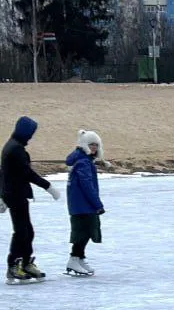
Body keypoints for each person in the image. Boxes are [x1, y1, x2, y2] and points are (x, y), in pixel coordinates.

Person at [1, 116, 60, 283]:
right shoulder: (15, 149)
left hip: (16, 194)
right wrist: (48, 186)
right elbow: (27, 173)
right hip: (15, 195)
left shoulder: (13, 146)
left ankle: (26, 263)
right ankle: (13, 265)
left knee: (27, 231)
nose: (31, 136)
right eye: (31, 133)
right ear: (25, 132)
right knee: (21, 231)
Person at [65, 130, 106, 276]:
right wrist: (98, 204)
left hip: (80, 204)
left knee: (86, 231)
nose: (94, 147)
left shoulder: (83, 159)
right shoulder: (83, 162)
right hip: (83, 204)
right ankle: (74, 258)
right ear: (84, 145)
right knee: (84, 232)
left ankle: (79, 258)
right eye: (91, 144)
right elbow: (87, 185)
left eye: (96, 144)